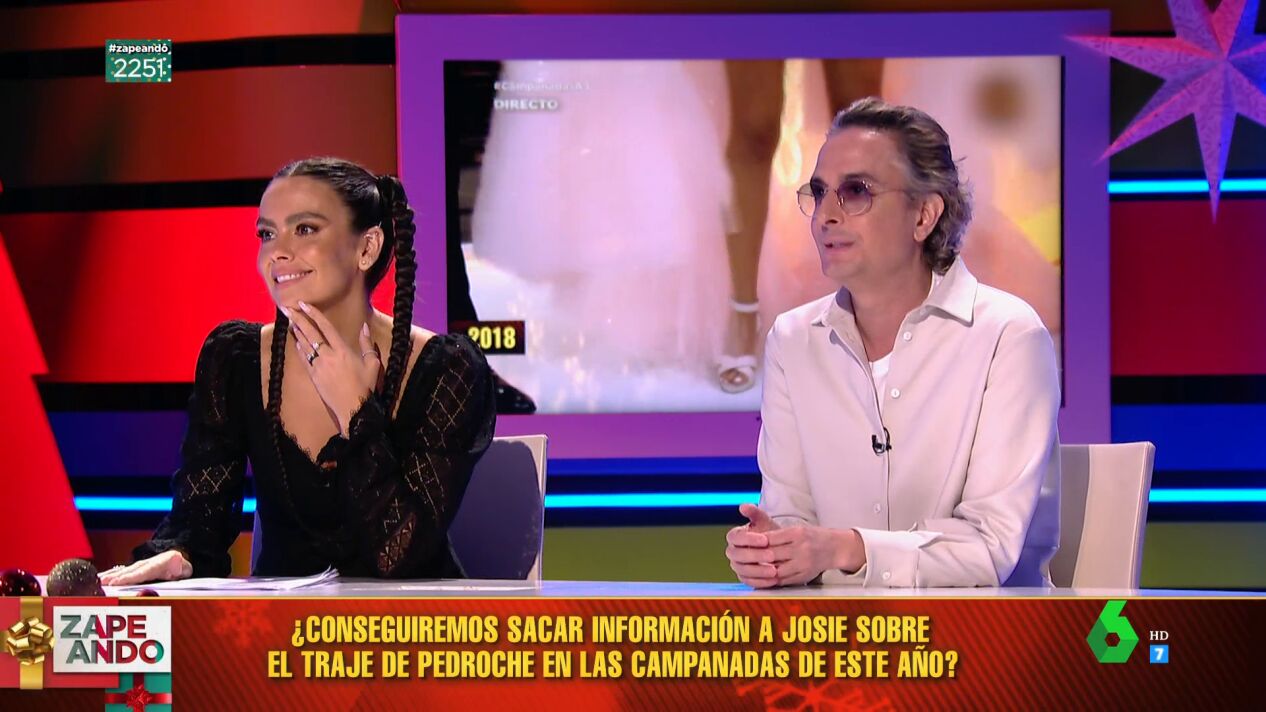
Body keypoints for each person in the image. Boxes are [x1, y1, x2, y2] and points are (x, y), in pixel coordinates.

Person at [101, 157, 496, 584]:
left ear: (367, 248)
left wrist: (356, 412)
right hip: (281, 624)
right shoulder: (234, 359)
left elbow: (398, 556)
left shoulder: (449, 369)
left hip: (405, 622)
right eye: (267, 233)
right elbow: (201, 523)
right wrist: (181, 554)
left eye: (304, 229)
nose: (277, 252)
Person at [724, 98, 1060, 588]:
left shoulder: (1007, 336)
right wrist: (774, 550)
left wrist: (844, 548)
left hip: (982, 630)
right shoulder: (792, 341)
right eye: (819, 192)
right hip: (836, 631)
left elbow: (988, 549)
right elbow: (791, 515)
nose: (825, 216)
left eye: (855, 191)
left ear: (924, 215)